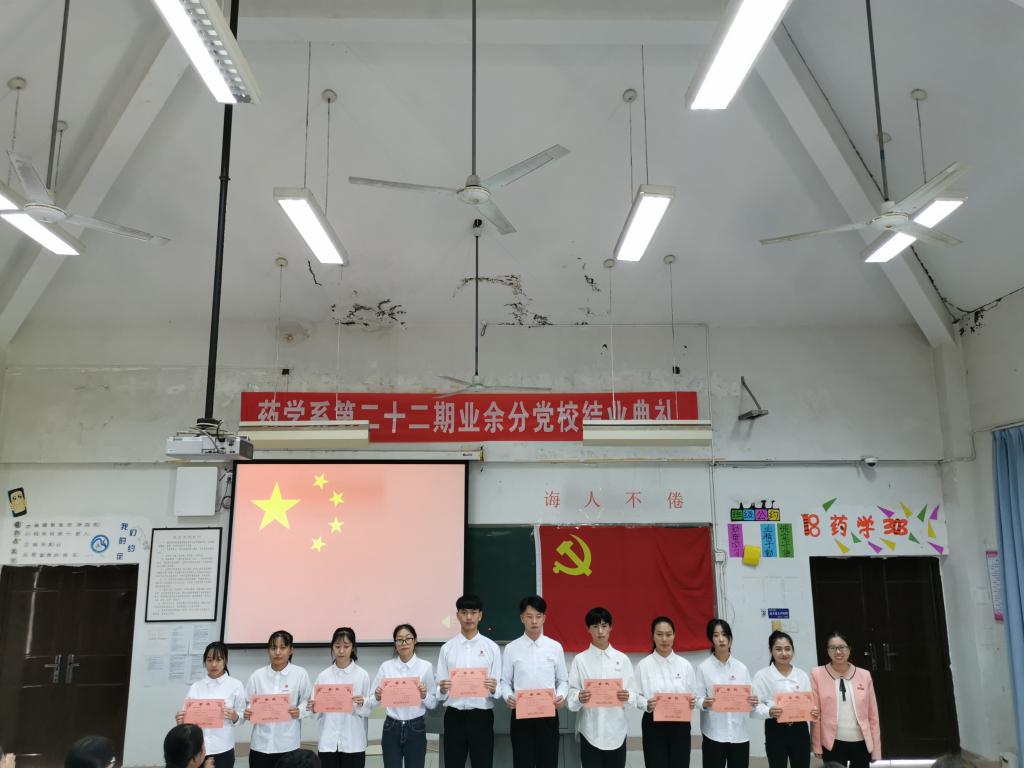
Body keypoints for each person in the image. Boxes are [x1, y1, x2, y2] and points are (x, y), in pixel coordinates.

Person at [500, 595, 569, 768]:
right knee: (522, 762)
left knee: (548, 762)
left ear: (544, 618)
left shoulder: (555, 647)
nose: (534, 621)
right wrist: (508, 696)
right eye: (529, 616)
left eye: (538, 616)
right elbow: (504, 681)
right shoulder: (511, 648)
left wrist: (561, 696)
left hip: (548, 715)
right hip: (521, 715)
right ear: (522, 618)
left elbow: (563, 680)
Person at [436, 594, 502, 768]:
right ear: (457, 616)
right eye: (464, 612)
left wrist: (494, 688)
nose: (469, 617)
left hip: (481, 717)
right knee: (453, 764)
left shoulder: (492, 648)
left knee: (483, 764)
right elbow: (440, 691)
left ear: (480, 615)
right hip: (454, 717)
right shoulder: (447, 648)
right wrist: (442, 689)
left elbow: (498, 690)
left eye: (473, 612)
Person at [567, 607, 636, 768]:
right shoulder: (580, 660)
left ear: (611, 627)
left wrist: (627, 696)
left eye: (604, 626)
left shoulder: (622, 659)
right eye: (595, 626)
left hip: (616, 730)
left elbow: (633, 694)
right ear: (588, 629)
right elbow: (571, 695)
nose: (600, 631)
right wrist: (579, 697)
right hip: (590, 730)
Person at [370, 623, 437, 768]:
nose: (404, 643)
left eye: (408, 638)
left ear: (415, 640)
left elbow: (433, 703)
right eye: (399, 640)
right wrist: (377, 695)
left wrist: (424, 695)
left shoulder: (426, 667)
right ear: (395, 644)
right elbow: (372, 701)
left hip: (416, 727)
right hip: (391, 727)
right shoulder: (386, 667)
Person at [810, 632, 880, 768]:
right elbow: (815, 714)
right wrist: (816, 745)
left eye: (842, 647)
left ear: (849, 649)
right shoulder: (817, 674)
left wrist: (876, 749)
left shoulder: (864, 675)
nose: (838, 652)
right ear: (827, 650)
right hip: (832, 742)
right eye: (833, 648)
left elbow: (873, 716)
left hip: (861, 742)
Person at [244, 629, 313, 768]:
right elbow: (246, 703)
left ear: (291, 650)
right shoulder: (257, 676)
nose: (277, 652)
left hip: (288, 745)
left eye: (283, 647)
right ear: (268, 650)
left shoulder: (300, 674)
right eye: (273, 648)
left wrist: (299, 711)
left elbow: (309, 702)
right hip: (260, 745)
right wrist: (248, 712)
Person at [695, 618, 757, 768]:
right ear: (711, 639)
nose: (721, 639)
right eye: (716, 635)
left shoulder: (741, 668)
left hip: (739, 734)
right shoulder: (703, 668)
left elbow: (750, 698)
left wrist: (752, 701)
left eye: (724, 634)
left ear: (730, 638)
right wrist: (704, 703)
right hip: (714, 734)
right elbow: (696, 698)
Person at [635, 616, 696, 768]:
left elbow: (693, 694)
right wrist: (646, 704)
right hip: (653, 723)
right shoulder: (644, 665)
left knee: (680, 763)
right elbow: (635, 695)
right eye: (659, 634)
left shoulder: (685, 665)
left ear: (674, 635)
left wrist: (692, 702)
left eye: (668, 634)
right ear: (652, 636)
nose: (664, 639)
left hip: (680, 724)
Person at [752, 631, 817, 768]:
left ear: (793, 650)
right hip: (775, 729)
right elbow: (755, 707)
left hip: (800, 730)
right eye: (778, 649)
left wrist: (812, 711)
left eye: (787, 649)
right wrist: (769, 711)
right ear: (771, 651)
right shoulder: (762, 676)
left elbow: (809, 703)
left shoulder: (801, 675)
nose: (784, 653)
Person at [175, 641, 245, 768]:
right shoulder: (196, 687)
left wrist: (235, 717)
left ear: (225, 660)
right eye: (209, 660)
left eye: (218, 659)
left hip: (223, 748)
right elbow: (186, 719)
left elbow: (242, 717)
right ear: (204, 662)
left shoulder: (236, 685)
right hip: (197, 750)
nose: (213, 664)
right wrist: (181, 721)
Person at [311, 627, 372, 768]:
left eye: (346, 646)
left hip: (353, 742)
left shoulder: (362, 675)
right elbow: (315, 713)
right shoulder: (323, 676)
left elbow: (368, 710)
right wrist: (314, 707)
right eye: (337, 646)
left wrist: (362, 703)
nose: (341, 651)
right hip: (328, 742)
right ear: (332, 647)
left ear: (353, 648)